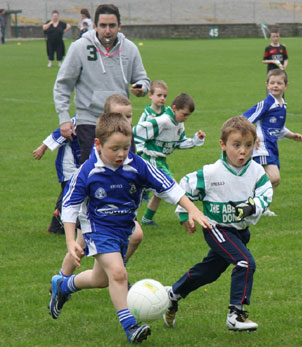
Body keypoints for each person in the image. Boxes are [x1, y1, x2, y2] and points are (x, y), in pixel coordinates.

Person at [48, 112, 211, 344]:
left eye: (126, 147)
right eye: (115, 148)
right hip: (98, 229)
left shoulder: (136, 164)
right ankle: (130, 327)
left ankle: (63, 285)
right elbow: (70, 206)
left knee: (100, 279)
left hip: (124, 229)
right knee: (118, 274)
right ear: (98, 144)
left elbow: (168, 186)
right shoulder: (87, 171)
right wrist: (70, 241)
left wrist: (192, 209)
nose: (121, 154)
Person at [163, 116, 273, 332]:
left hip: (240, 232)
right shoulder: (211, 173)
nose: (242, 151)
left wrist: (252, 207)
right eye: (236, 145)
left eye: (248, 145)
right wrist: (184, 215)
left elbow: (266, 193)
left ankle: (172, 294)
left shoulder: (256, 172)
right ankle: (235, 314)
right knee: (245, 263)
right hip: (216, 229)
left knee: (209, 272)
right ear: (223, 145)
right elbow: (183, 186)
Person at [52, 94, 144, 285]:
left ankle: (116, 269)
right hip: (94, 210)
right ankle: (61, 280)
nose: (124, 121)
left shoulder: (127, 139)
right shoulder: (100, 149)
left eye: (128, 117)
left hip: (118, 205)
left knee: (136, 235)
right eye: (120, 116)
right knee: (79, 245)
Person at [53, 3, 150, 165]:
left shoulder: (130, 48)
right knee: (92, 175)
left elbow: (143, 79)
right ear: (95, 26)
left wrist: (142, 87)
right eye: (103, 25)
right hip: (90, 122)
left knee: (129, 174)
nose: (107, 30)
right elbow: (63, 85)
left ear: (119, 26)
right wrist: (64, 119)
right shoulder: (80, 48)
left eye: (112, 25)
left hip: (122, 123)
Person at [134, 93, 205, 226]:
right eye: (184, 114)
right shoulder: (163, 121)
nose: (186, 118)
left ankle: (146, 219)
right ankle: (185, 217)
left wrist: (195, 140)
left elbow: (179, 143)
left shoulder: (179, 124)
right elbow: (137, 131)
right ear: (174, 108)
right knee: (172, 187)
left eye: (188, 115)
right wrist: (139, 151)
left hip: (161, 161)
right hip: (151, 159)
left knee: (157, 192)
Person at [243, 69, 302, 216]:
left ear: (286, 85)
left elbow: (279, 128)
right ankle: (251, 202)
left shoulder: (282, 105)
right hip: (262, 147)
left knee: (274, 181)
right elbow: (245, 119)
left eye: (279, 83)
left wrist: (292, 135)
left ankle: (261, 207)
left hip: (272, 147)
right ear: (267, 85)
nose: (275, 86)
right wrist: (253, 135)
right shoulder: (267, 103)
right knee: (274, 177)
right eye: (272, 83)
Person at [33, 116, 80, 235]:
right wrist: (42, 148)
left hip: (80, 165)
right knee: (69, 192)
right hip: (69, 166)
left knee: (71, 192)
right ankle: (58, 223)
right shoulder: (77, 120)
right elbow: (58, 133)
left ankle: (64, 223)